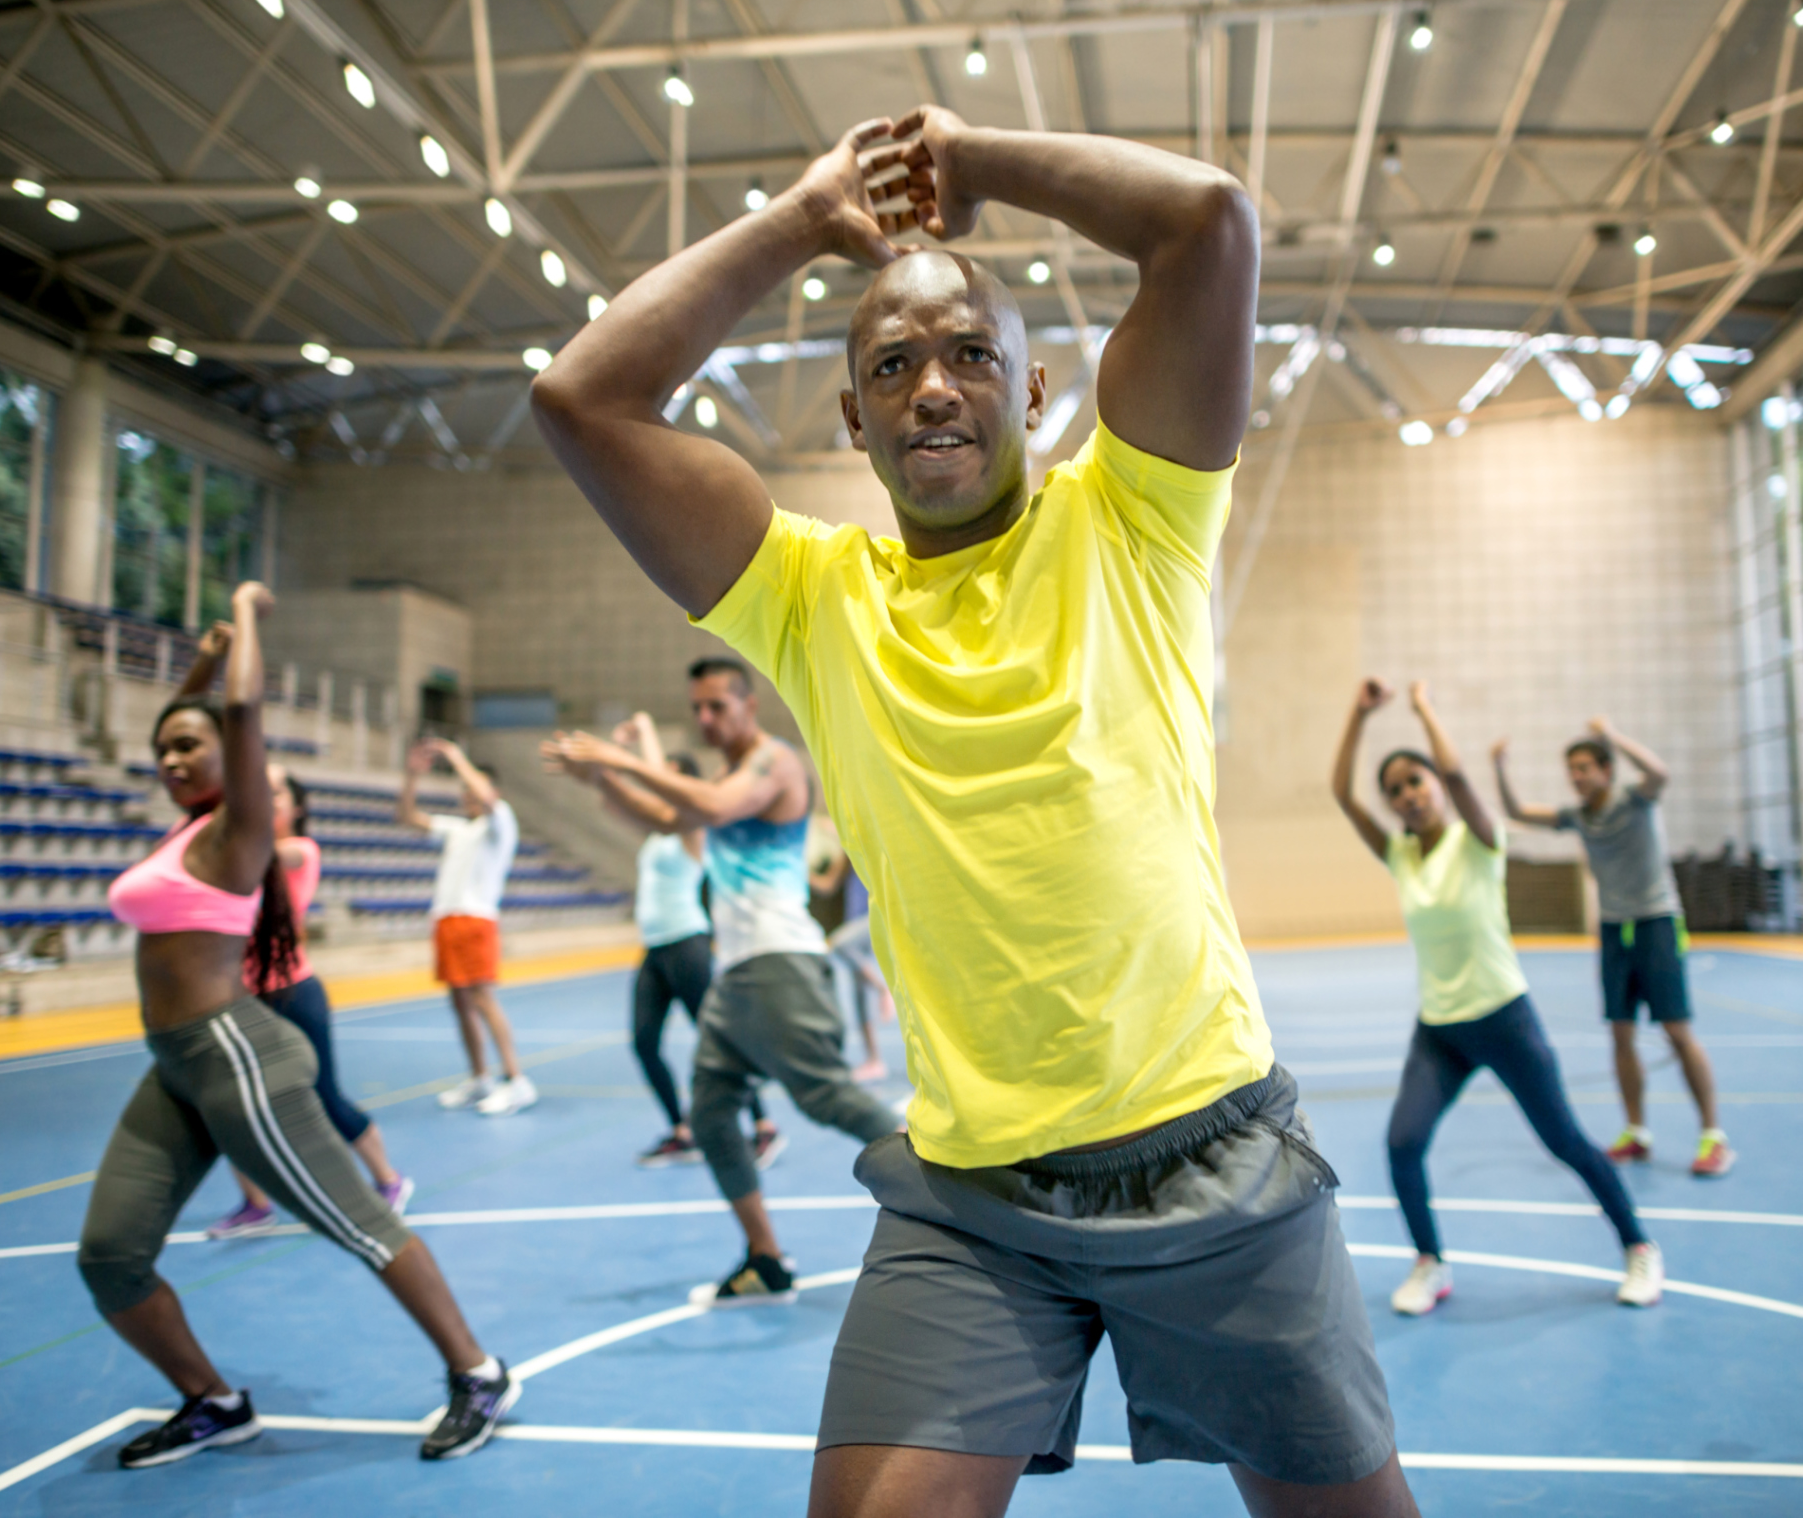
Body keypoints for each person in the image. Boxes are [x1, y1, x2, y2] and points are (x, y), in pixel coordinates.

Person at [534, 104, 1416, 1516]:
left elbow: (1207, 223)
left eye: (969, 355)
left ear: (1034, 387)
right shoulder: (809, 597)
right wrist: (800, 221)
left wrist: (974, 160)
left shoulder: (1132, 519)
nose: (931, 387)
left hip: (1207, 1152)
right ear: (854, 416)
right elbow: (581, 400)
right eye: (891, 366)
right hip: (974, 1195)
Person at [79, 582, 513, 1468]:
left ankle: (478, 1372)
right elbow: (192, 718)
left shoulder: (237, 829)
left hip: (238, 1055)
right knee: (110, 1253)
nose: (169, 758)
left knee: (362, 1224)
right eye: (162, 750)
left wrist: (243, 613)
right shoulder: (184, 829)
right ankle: (213, 1401)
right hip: (176, 1064)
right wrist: (200, 665)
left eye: (187, 747)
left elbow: (237, 711)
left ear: (230, 759)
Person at [545, 657, 892, 1304]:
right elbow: (667, 818)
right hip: (736, 973)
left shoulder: (775, 762)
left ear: (748, 705)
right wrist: (601, 779)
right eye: (697, 709)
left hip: (781, 963)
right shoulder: (730, 777)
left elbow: (705, 804)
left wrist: (619, 760)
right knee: (709, 1113)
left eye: (717, 707)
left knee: (828, 1099)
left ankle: (966, 1196)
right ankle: (765, 1257)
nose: (705, 719)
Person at [1333, 679, 1663, 1318]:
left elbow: (1460, 776)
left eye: (1416, 781)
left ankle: (1639, 1246)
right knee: (1403, 1143)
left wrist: (1424, 709)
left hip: (1505, 1020)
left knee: (1564, 1141)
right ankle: (1430, 1262)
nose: (1407, 795)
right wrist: (1358, 714)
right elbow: (1343, 796)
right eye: (1395, 790)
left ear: (1435, 785)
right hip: (1441, 1033)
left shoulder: (1479, 840)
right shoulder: (1400, 854)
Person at [1494, 721, 1731, 1176]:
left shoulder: (1635, 799)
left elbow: (1659, 772)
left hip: (1656, 923)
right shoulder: (1578, 816)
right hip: (1612, 929)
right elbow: (1518, 811)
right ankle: (1637, 1132)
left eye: (1584, 768)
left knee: (1677, 1032)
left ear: (1607, 769)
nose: (1576, 777)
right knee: (1621, 1034)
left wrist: (1613, 736)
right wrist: (1500, 767)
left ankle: (1713, 1136)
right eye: (1571, 770)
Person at [554, 710, 783, 1167]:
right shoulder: (658, 832)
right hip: (655, 949)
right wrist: (605, 762)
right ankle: (682, 1129)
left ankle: (763, 1125)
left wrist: (644, 729)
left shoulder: (692, 828)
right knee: (644, 1043)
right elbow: (617, 800)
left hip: (687, 945)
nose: (660, 785)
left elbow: (657, 784)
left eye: (670, 780)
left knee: (718, 1039)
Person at [208, 760, 413, 1237]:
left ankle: (389, 1180)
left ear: (297, 809)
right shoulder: (239, 855)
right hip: (242, 994)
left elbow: (263, 852)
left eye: (276, 794)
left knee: (324, 1097)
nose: (265, 800)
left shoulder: (300, 851)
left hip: (294, 992)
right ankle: (255, 1205)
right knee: (231, 1103)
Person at [398, 738, 535, 1117]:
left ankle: (516, 1080)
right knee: (460, 1004)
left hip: (476, 920)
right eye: (466, 789)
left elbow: (487, 798)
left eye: (475, 788)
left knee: (482, 999)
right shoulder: (458, 829)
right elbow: (408, 817)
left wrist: (457, 756)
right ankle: (480, 1077)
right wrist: (411, 776)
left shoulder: (500, 822)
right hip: (446, 918)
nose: (469, 794)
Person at [808, 842, 889, 1083]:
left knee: (839, 944)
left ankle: (882, 988)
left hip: (874, 917)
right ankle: (874, 1060)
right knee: (859, 990)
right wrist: (800, 870)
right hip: (854, 921)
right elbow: (827, 885)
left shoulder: (877, 845)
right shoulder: (847, 851)